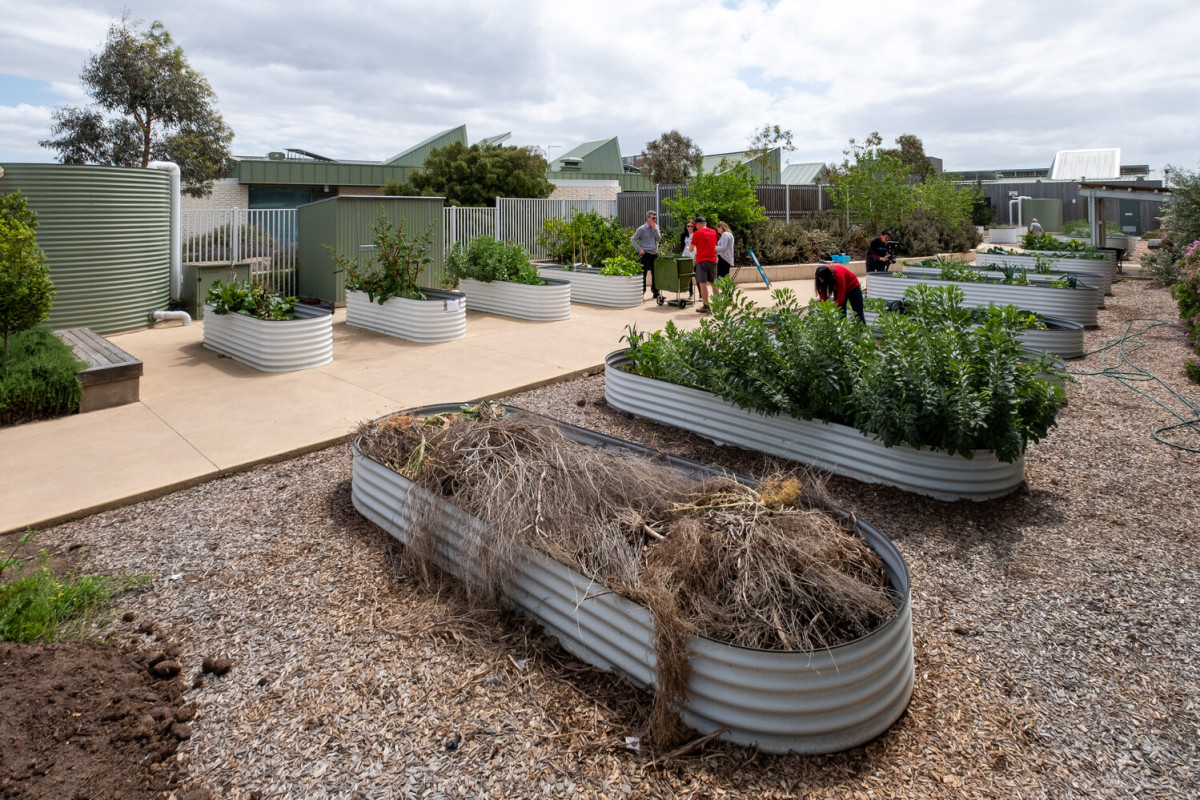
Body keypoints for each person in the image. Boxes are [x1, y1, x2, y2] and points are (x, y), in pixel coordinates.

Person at [690, 216, 719, 313]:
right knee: (714, 283)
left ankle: (706, 306)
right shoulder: (714, 232)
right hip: (713, 260)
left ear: (698, 224)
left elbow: (691, 248)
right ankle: (718, 305)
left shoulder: (697, 233)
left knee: (702, 284)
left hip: (701, 260)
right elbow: (714, 245)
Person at [631, 210, 662, 301]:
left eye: (655, 218)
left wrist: (655, 228)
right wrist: (639, 249)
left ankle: (656, 292)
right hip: (646, 254)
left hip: (654, 254)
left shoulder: (656, 227)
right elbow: (633, 239)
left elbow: (659, 239)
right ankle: (641, 293)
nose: (654, 219)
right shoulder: (642, 229)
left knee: (655, 274)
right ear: (648, 218)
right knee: (643, 274)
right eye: (653, 218)